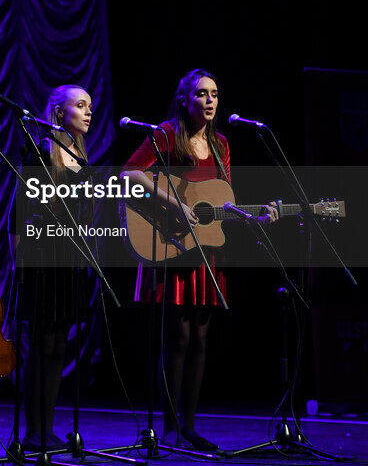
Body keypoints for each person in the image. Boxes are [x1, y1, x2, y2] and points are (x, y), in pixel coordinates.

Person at [122, 69, 277, 453]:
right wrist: (175, 203)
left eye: (215, 94)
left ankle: (189, 426)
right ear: (185, 100)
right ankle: (170, 427)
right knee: (177, 336)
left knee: (201, 337)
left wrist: (256, 218)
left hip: (207, 249)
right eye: (201, 94)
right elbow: (130, 173)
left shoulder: (222, 145)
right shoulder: (165, 135)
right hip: (172, 243)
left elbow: (223, 199)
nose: (209, 100)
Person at [18, 84, 93, 452]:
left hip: (71, 259)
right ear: (60, 113)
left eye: (90, 106)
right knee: (42, 343)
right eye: (80, 105)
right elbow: (21, 216)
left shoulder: (82, 156)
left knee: (59, 347)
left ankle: (47, 426)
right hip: (43, 258)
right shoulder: (39, 153)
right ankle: (33, 430)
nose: (88, 111)